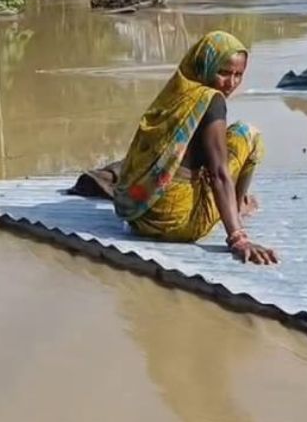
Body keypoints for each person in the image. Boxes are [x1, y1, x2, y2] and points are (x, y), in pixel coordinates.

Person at [112, 30, 277, 265]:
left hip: (142, 218)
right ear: (206, 66)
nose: (231, 83)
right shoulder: (211, 99)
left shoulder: (176, 93)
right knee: (247, 134)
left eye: (238, 75)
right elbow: (219, 173)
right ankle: (236, 209)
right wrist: (239, 238)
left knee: (221, 143)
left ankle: (230, 205)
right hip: (179, 223)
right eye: (224, 73)